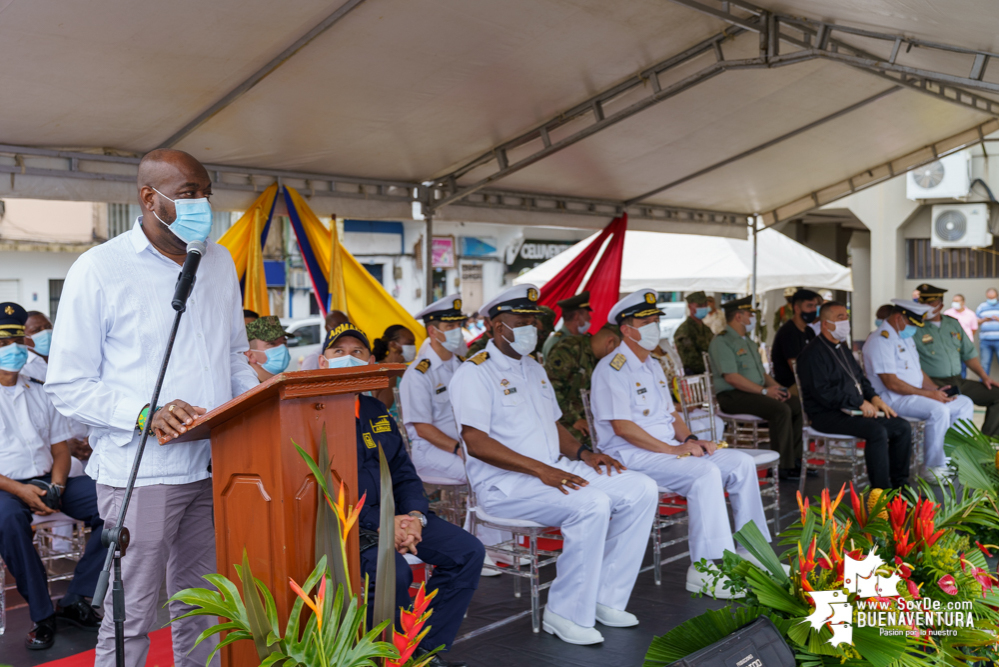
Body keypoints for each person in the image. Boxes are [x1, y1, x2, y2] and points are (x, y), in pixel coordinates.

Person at [44, 148, 260, 667]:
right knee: (133, 614)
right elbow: (67, 382)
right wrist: (144, 412)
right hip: (141, 473)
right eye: (189, 194)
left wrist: (255, 398)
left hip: (213, 466)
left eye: (207, 192)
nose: (203, 204)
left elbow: (232, 354)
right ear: (149, 198)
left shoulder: (219, 259)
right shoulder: (99, 268)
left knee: (204, 609)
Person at [450, 284, 658, 646]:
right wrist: (541, 470)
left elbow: (553, 425)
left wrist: (584, 455)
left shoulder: (533, 367)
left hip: (553, 469)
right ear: (499, 327)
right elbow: (476, 442)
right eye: (523, 319)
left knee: (641, 488)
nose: (534, 326)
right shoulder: (474, 372)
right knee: (592, 503)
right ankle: (564, 612)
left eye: (534, 319)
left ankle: (606, 598)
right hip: (506, 484)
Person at [590, 289, 772, 599]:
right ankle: (705, 567)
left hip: (667, 449)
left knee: (740, 463)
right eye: (645, 321)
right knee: (704, 474)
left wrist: (690, 439)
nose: (653, 326)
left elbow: (671, 414)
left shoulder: (654, 364)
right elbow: (622, 428)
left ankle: (752, 550)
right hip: (631, 454)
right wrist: (675, 450)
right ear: (626, 329)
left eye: (655, 320)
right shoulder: (612, 368)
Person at [320, 322, 482, 667]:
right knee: (395, 574)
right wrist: (383, 524)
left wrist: (415, 517)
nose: (348, 359)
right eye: (338, 352)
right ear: (322, 363)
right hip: (349, 524)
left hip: (398, 516)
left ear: (370, 361)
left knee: (467, 552)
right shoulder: (309, 415)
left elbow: (404, 472)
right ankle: (380, 659)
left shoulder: (376, 411)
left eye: (357, 352)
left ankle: (423, 649)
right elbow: (325, 488)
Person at [0, 302, 106, 650]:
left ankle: (76, 598)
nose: (13, 350)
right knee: (10, 522)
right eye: (3, 344)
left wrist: (57, 485)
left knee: (115, 501)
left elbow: (60, 449)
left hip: (48, 479)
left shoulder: (38, 389)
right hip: (5, 487)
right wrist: (21, 491)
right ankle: (42, 616)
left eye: (16, 342)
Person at [797, 301, 912, 489]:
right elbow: (823, 393)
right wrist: (859, 402)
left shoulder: (842, 347)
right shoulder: (812, 354)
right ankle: (881, 493)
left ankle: (901, 487)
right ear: (825, 324)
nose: (845, 321)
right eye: (839, 317)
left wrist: (875, 399)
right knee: (876, 432)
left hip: (851, 409)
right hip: (826, 415)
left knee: (902, 427)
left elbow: (860, 379)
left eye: (846, 317)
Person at [862, 299, 974, 481]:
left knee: (964, 403)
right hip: (892, 399)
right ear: (898, 318)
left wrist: (937, 389)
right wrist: (930, 395)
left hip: (914, 395)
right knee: (938, 410)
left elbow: (917, 371)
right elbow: (891, 382)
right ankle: (933, 468)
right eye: (911, 323)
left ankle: (952, 460)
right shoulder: (881, 340)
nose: (914, 328)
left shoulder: (903, 336)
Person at [707, 296, 804, 479]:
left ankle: (795, 460)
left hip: (755, 393)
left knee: (794, 404)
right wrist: (765, 392)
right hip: (732, 396)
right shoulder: (722, 342)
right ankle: (781, 467)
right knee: (780, 410)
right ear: (738, 317)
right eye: (750, 314)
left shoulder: (748, 342)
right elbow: (731, 377)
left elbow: (762, 375)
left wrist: (778, 389)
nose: (753, 318)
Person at [913, 284, 999, 437]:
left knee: (997, 394)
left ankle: (986, 444)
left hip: (958, 381)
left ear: (940, 304)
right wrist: (930, 388)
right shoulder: (915, 328)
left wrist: (985, 377)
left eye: (930, 303)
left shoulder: (952, 323)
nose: (925, 306)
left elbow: (969, 355)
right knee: (955, 407)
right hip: (932, 383)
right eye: (923, 302)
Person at [544, 323, 621, 449]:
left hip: (590, 416)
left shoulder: (601, 359)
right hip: (563, 417)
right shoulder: (568, 350)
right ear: (610, 342)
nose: (617, 357)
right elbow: (550, 390)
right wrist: (575, 419)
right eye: (617, 350)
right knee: (592, 444)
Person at [769, 289, 820, 391]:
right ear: (797, 309)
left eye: (815, 306)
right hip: (791, 387)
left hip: (807, 383)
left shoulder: (809, 331)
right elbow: (796, 368)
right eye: (809, 306)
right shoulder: (788, 332)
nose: (814, 310)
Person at [673, 291, 714, 375]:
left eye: (705, 305)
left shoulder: (707, 329)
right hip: (695, 378)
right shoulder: (684, 331)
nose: (703, 307)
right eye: (699, 306)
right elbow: (690, 361)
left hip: (710, 374)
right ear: (690, 306)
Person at [541, 291, 592, 359]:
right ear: (576, 316)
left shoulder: (584, 339)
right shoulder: (555, 342)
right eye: (587, 314)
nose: (589, 317)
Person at [244, 315, 291, 382]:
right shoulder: (244, 388)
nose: (283, 348)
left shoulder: (288, 385)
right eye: (271, 344)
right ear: (250, 355)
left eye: (284, 342)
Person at [944, 294, 978, 378]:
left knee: (963, 367)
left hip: (964, 345)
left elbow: (973, 329)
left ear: (963, 302)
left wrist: (964, 340)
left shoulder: (970, 314)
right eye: (953, 301)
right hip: (951, 345)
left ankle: (961, 388)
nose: (954, 303)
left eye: (957, 301)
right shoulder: (947, 313)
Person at [977, 288, 999, 378]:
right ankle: (983, 389)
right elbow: (975, 321)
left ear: (997, 296)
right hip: (985, 341)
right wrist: (983, 320)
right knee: (984, 365)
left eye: (992, 298)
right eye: (989, 298)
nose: (991, 300)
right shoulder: (982, 307)